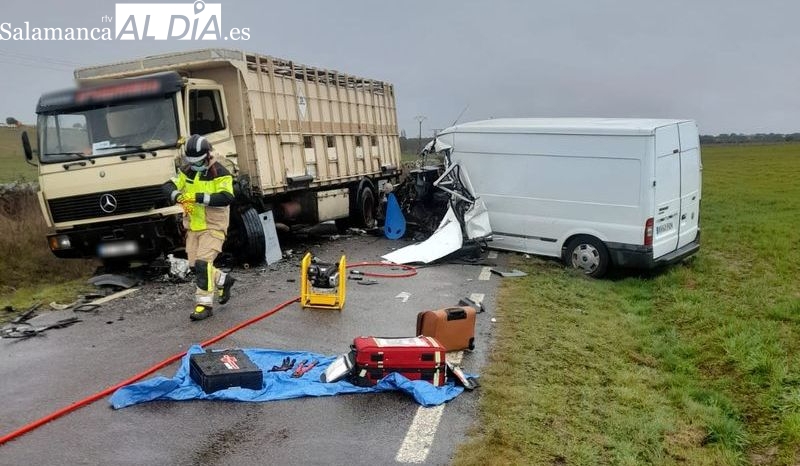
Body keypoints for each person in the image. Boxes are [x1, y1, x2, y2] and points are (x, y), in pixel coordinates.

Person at [163, 134, 236, 321]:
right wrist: (177, 196)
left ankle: (204, 305)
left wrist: (198, 198)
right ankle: (223, 280)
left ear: (208, 155)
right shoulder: (187, 171)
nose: (195, 165)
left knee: (203, 264)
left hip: (214, 226)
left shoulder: (220, 172)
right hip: (193, 228)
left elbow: (227, 197)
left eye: (198, 162)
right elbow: (167, 186)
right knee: (197, 266)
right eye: (192, 162)